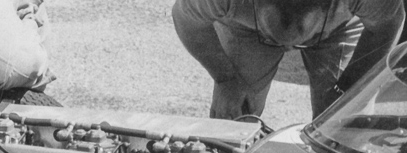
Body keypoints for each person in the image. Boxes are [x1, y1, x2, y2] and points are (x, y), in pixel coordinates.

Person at [172, 0, 405, 119]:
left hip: (339, 27)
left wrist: (350, 86)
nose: (288, 47)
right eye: (278, 37)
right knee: (233, 113)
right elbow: (186, 21)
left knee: (345, 117)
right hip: (246, 29)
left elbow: (386, 25)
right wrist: (225, 79)